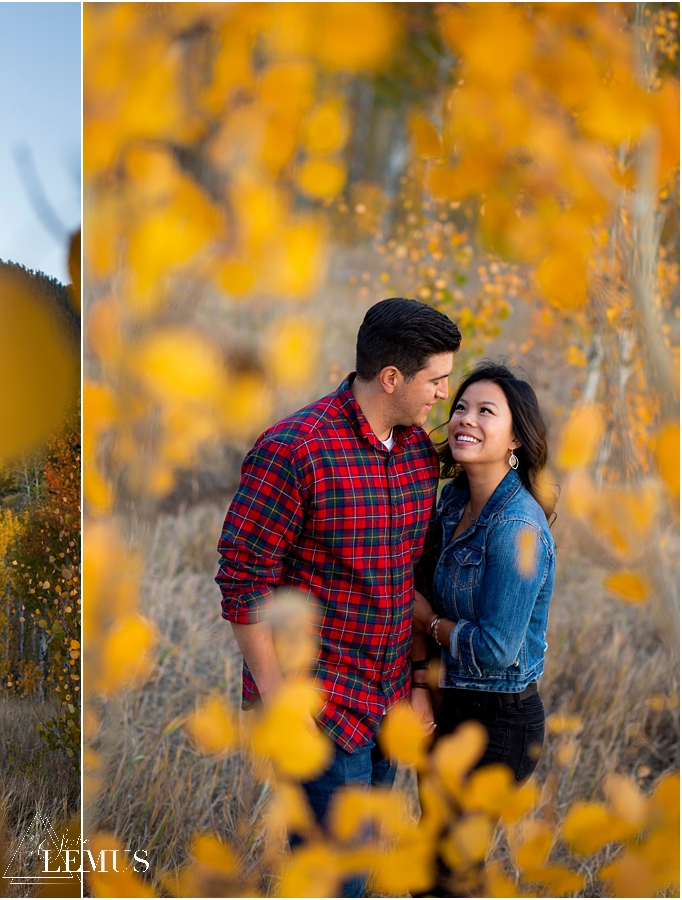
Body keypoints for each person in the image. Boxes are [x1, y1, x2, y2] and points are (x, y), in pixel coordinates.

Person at [216, 297, 461, 898]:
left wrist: (420, 685)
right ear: (392, 377)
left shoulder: (415, 457)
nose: (442, 395)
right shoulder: (295, 449)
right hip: (319, 704)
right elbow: (243, 580)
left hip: (387, 702)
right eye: (436, 380)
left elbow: (412, 580)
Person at [410, 362, 556, 893]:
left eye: (485, 411)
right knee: (430, 867)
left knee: (448, 877)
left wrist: (428, 620)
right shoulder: (451, 502)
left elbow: (495, 649)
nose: (465, 420)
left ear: (516, 436)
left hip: (500, 724)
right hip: (449, 705)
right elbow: (419, 582)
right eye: (461, 408)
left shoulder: (517, 527)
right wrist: (422, 686)